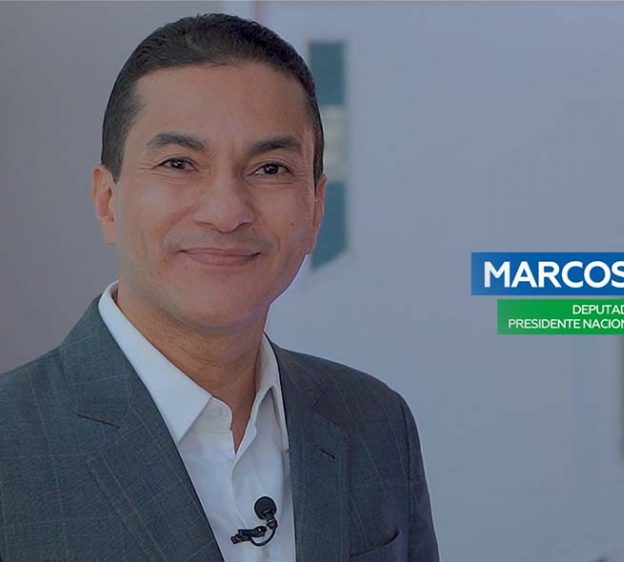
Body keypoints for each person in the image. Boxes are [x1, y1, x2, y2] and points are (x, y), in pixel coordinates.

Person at [0, 13, 438, 562]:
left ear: (315, 208)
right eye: (179, 163)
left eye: (270, 169)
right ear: (108, 201)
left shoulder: (375, 422)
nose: (227, 211)